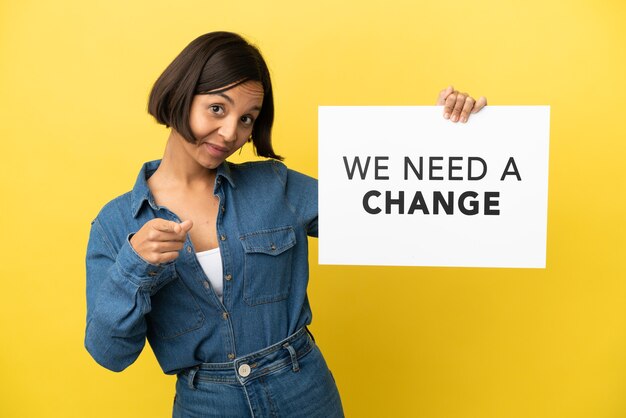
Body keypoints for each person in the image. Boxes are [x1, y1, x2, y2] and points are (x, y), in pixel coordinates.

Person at [84, 31, 487, 418]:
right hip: (206, 404)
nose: (230, 133)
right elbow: (110, 354)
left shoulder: (275, 186)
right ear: (181, 96)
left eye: (247, 119)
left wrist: (447, 136)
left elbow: (388, 211)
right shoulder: (114, 224)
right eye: (217, 109)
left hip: (303, 390)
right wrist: (134, 265)